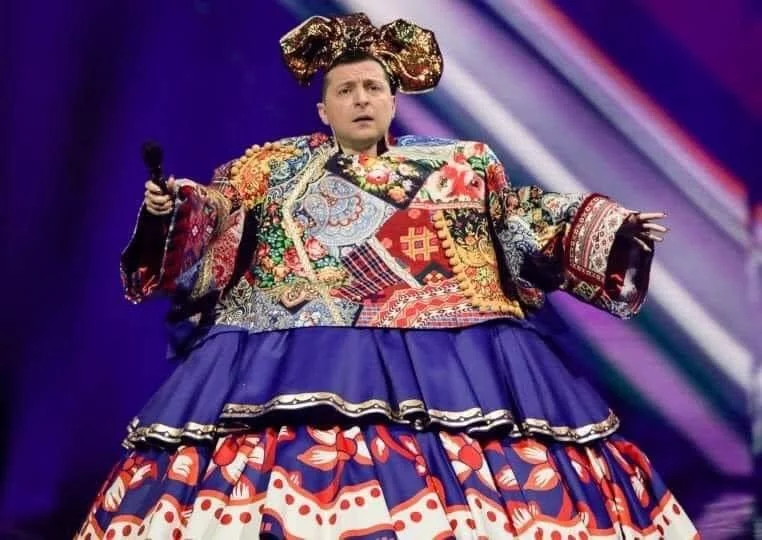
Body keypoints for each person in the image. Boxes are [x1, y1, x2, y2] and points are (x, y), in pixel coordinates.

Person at [76, 13, 698, 539]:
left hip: (454, 350)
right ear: (323, 108)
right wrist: (175, 205)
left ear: (394, 101)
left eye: (373, 87)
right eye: (346, 90)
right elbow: (217, 211)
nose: (361, 99)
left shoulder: (458, 165)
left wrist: (607, 227)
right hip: (297, 348)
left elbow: (519, 217)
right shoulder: (271, 166)